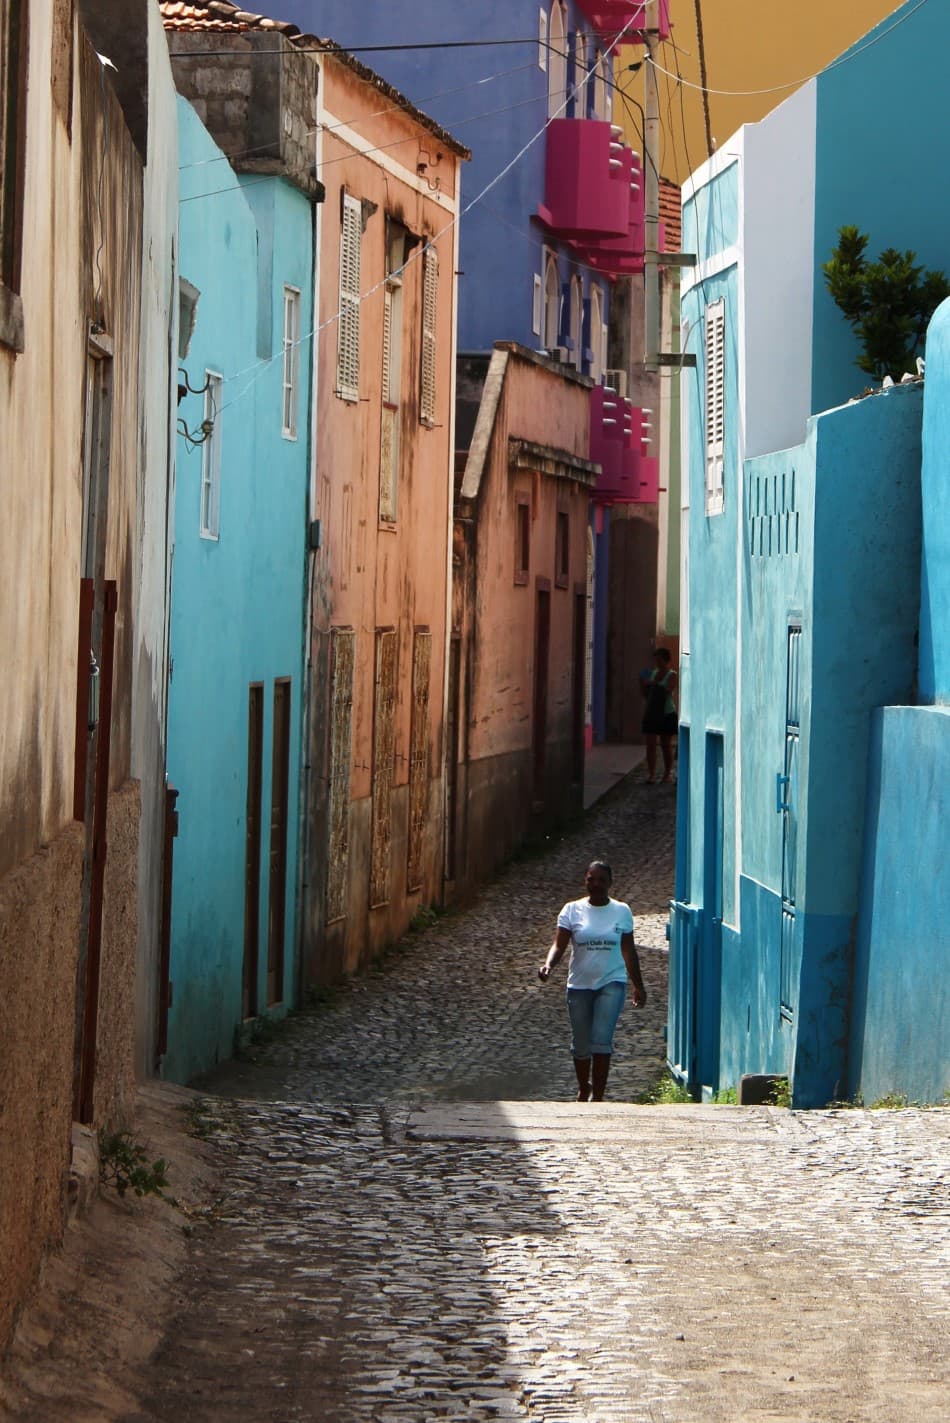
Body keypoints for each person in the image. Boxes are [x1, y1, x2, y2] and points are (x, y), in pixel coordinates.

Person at [538, 860, 647, 1102]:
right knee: (581, 1042)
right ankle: (583, 1086)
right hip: (579, 984)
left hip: (612, 982)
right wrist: (549, 965)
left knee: (601, 1039)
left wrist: (638, 985)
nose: (595, 884)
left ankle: (598, 1097)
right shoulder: (571, 910)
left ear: (610, 883)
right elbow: (560, 943)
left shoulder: (621, 911)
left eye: (601, 880)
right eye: (591, 879)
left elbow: (628, 950)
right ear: (585, 880)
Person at [640, 647, 677, 784]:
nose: (657, 662)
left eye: (659, 659)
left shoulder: (672, 675)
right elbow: (646, 694)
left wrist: (653, 685)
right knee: (650, 744)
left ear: (666, 660)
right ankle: (651, 774)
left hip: (666, 713)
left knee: (665, 745)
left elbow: (667, 691)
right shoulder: (653, 673)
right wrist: (644, 685)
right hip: (652, 713)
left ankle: (667, 774)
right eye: (656, 659)